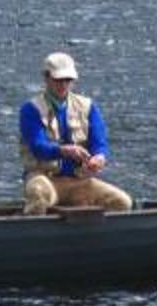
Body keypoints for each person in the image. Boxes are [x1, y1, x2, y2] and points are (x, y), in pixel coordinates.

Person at [19, 51, 133, 213]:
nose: (63, 84)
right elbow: (38, 147)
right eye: (58, 80)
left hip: (79, 181)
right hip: (45, 178)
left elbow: (99, 143)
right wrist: (64, 151)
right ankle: (34, 225)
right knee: (38, 193)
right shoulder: (30, 109)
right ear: (46, 78)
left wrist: (99, 158)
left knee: (122, 202)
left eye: (68, 80)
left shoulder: (88, 107)